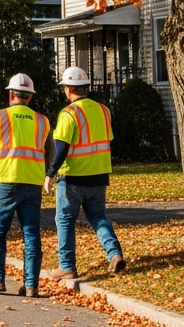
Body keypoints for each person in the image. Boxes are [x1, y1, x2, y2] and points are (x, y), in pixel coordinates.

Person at [0, 73, 54, 297]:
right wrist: (49, 174)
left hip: (5, 181)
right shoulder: (43, 121)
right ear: (29, 97)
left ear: (11, 94)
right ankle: (31, 286)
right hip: (32, 183)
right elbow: (51, 153)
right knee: (31, 234)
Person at [45, 66, 126, 279]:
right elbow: (107, 141)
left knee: (65, 220)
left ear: (69, 89)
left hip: (72, 178)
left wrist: (50, 173)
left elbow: (61, 148)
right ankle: (114, 253)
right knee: (98, 217)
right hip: (99, 176)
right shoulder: (103, 110)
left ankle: (67, 266)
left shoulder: (68, 113)